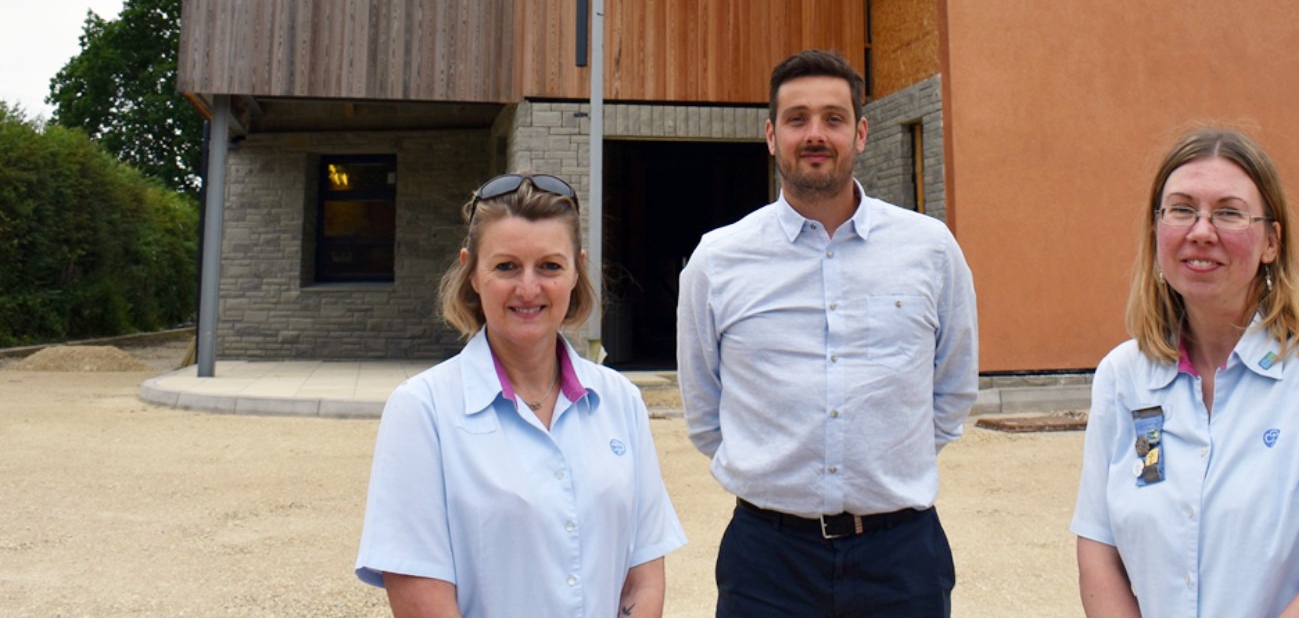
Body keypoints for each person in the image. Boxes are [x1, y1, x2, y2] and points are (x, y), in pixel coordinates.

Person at [676, 49, 980, 617]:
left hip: (903, 557)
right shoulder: (718, 261)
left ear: (861, 133)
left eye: (834, 118)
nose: (815, 134)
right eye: (797, 119)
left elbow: (954, 388)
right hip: (766, 561)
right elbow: (703, 410)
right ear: (771, 135)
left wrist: (887, 463)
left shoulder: (931, 250)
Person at [1071, 128, 1299, 618]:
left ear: (1272, 242)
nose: (1201, 231)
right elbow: (1098, 549)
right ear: (1157, 229)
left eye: (1229, 212)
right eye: (1181, 209)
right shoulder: (1122, 377)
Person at [356, 173, 686, 618]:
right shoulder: (423, 410)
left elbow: (643, 572)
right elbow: (419, 593)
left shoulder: (620, 400)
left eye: (549, 266)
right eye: (506, 266)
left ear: (576, 271)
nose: (528, 289)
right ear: (472, 272)